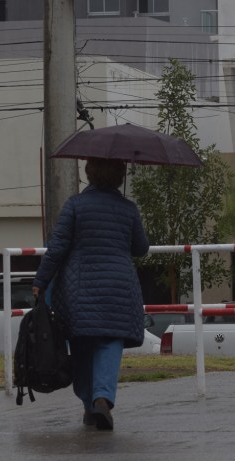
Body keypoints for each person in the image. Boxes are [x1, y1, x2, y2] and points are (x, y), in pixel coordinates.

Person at [31, 157, 149, 431]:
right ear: (120, 176)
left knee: (82, 344)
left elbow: (58, 247)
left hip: (79, 288)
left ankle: (88, 405)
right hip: (119, 288)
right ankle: (102, 399)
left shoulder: (75, 205)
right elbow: (140, 248)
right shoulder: (129, 209)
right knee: (109, 343)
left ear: (89, 173)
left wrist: (41, 280)